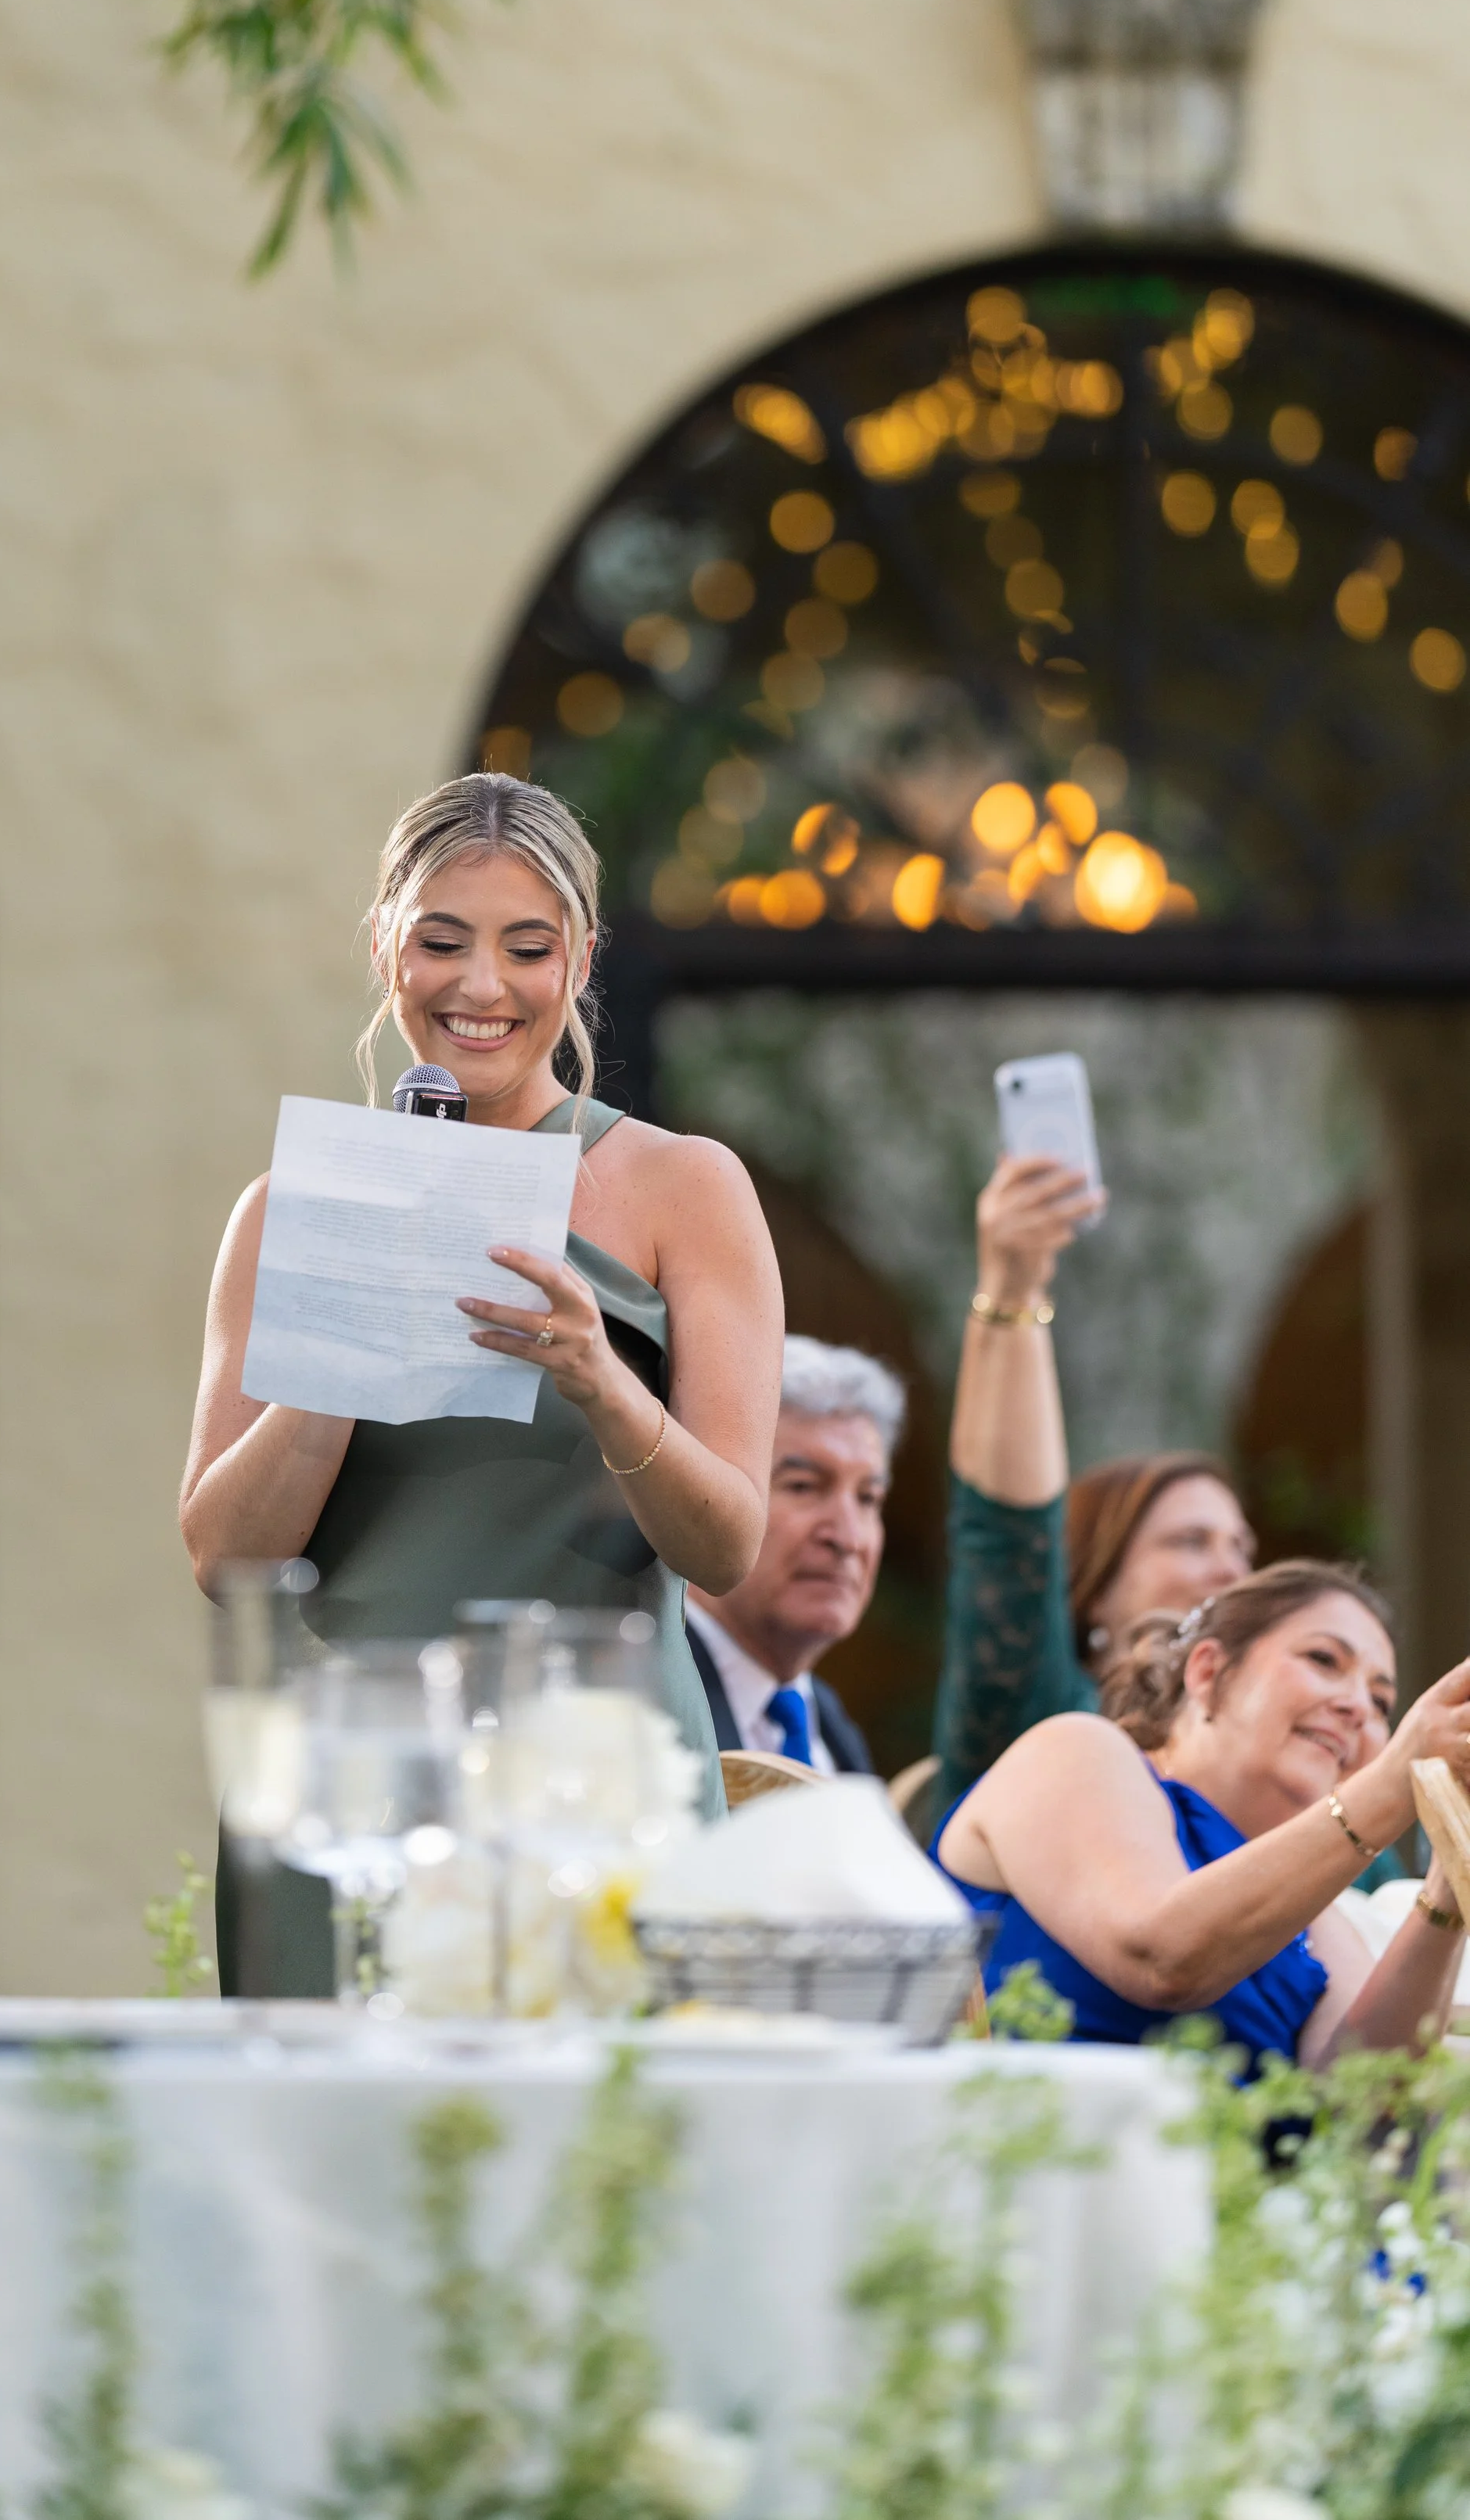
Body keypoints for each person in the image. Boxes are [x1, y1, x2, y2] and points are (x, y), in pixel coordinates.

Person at [180, 770, 784, 1990]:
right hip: (354, 1797)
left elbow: (728, 1547)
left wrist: (603, 1381)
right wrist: (347, 1340)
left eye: (526, 948)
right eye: (441, 942)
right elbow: (224, 1559)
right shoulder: (287, 1208)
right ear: (386, 951)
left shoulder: (685, 1189)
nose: (481, 987)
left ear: (580, 961)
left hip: (596, 1790)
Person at [931, 1560, 1470, 2064]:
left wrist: (1450, 1882)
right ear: (1208, 1671)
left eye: (1381, 1703)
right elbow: (1161, 1958)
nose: (1357, 1707)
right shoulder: (1075, 1750)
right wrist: (1395, 1781)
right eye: (1324, 1660)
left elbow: (1363, 2105)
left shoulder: (1315, 1914)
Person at [931, 1153, 1258, 1819]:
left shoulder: (1284, 1763)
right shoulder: (1044, 1714)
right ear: (1095, 1583)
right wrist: (1013, 1288)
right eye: (1191, 1540)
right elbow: (1004, 1536)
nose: (1233, 1569)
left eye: (1244, 1548)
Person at [685, 1338, 905, 1774]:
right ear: (708, 1495)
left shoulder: (832, 1730)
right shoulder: (645, 1703)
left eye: (867, 1498)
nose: (848, 1537)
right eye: (803, 1486)